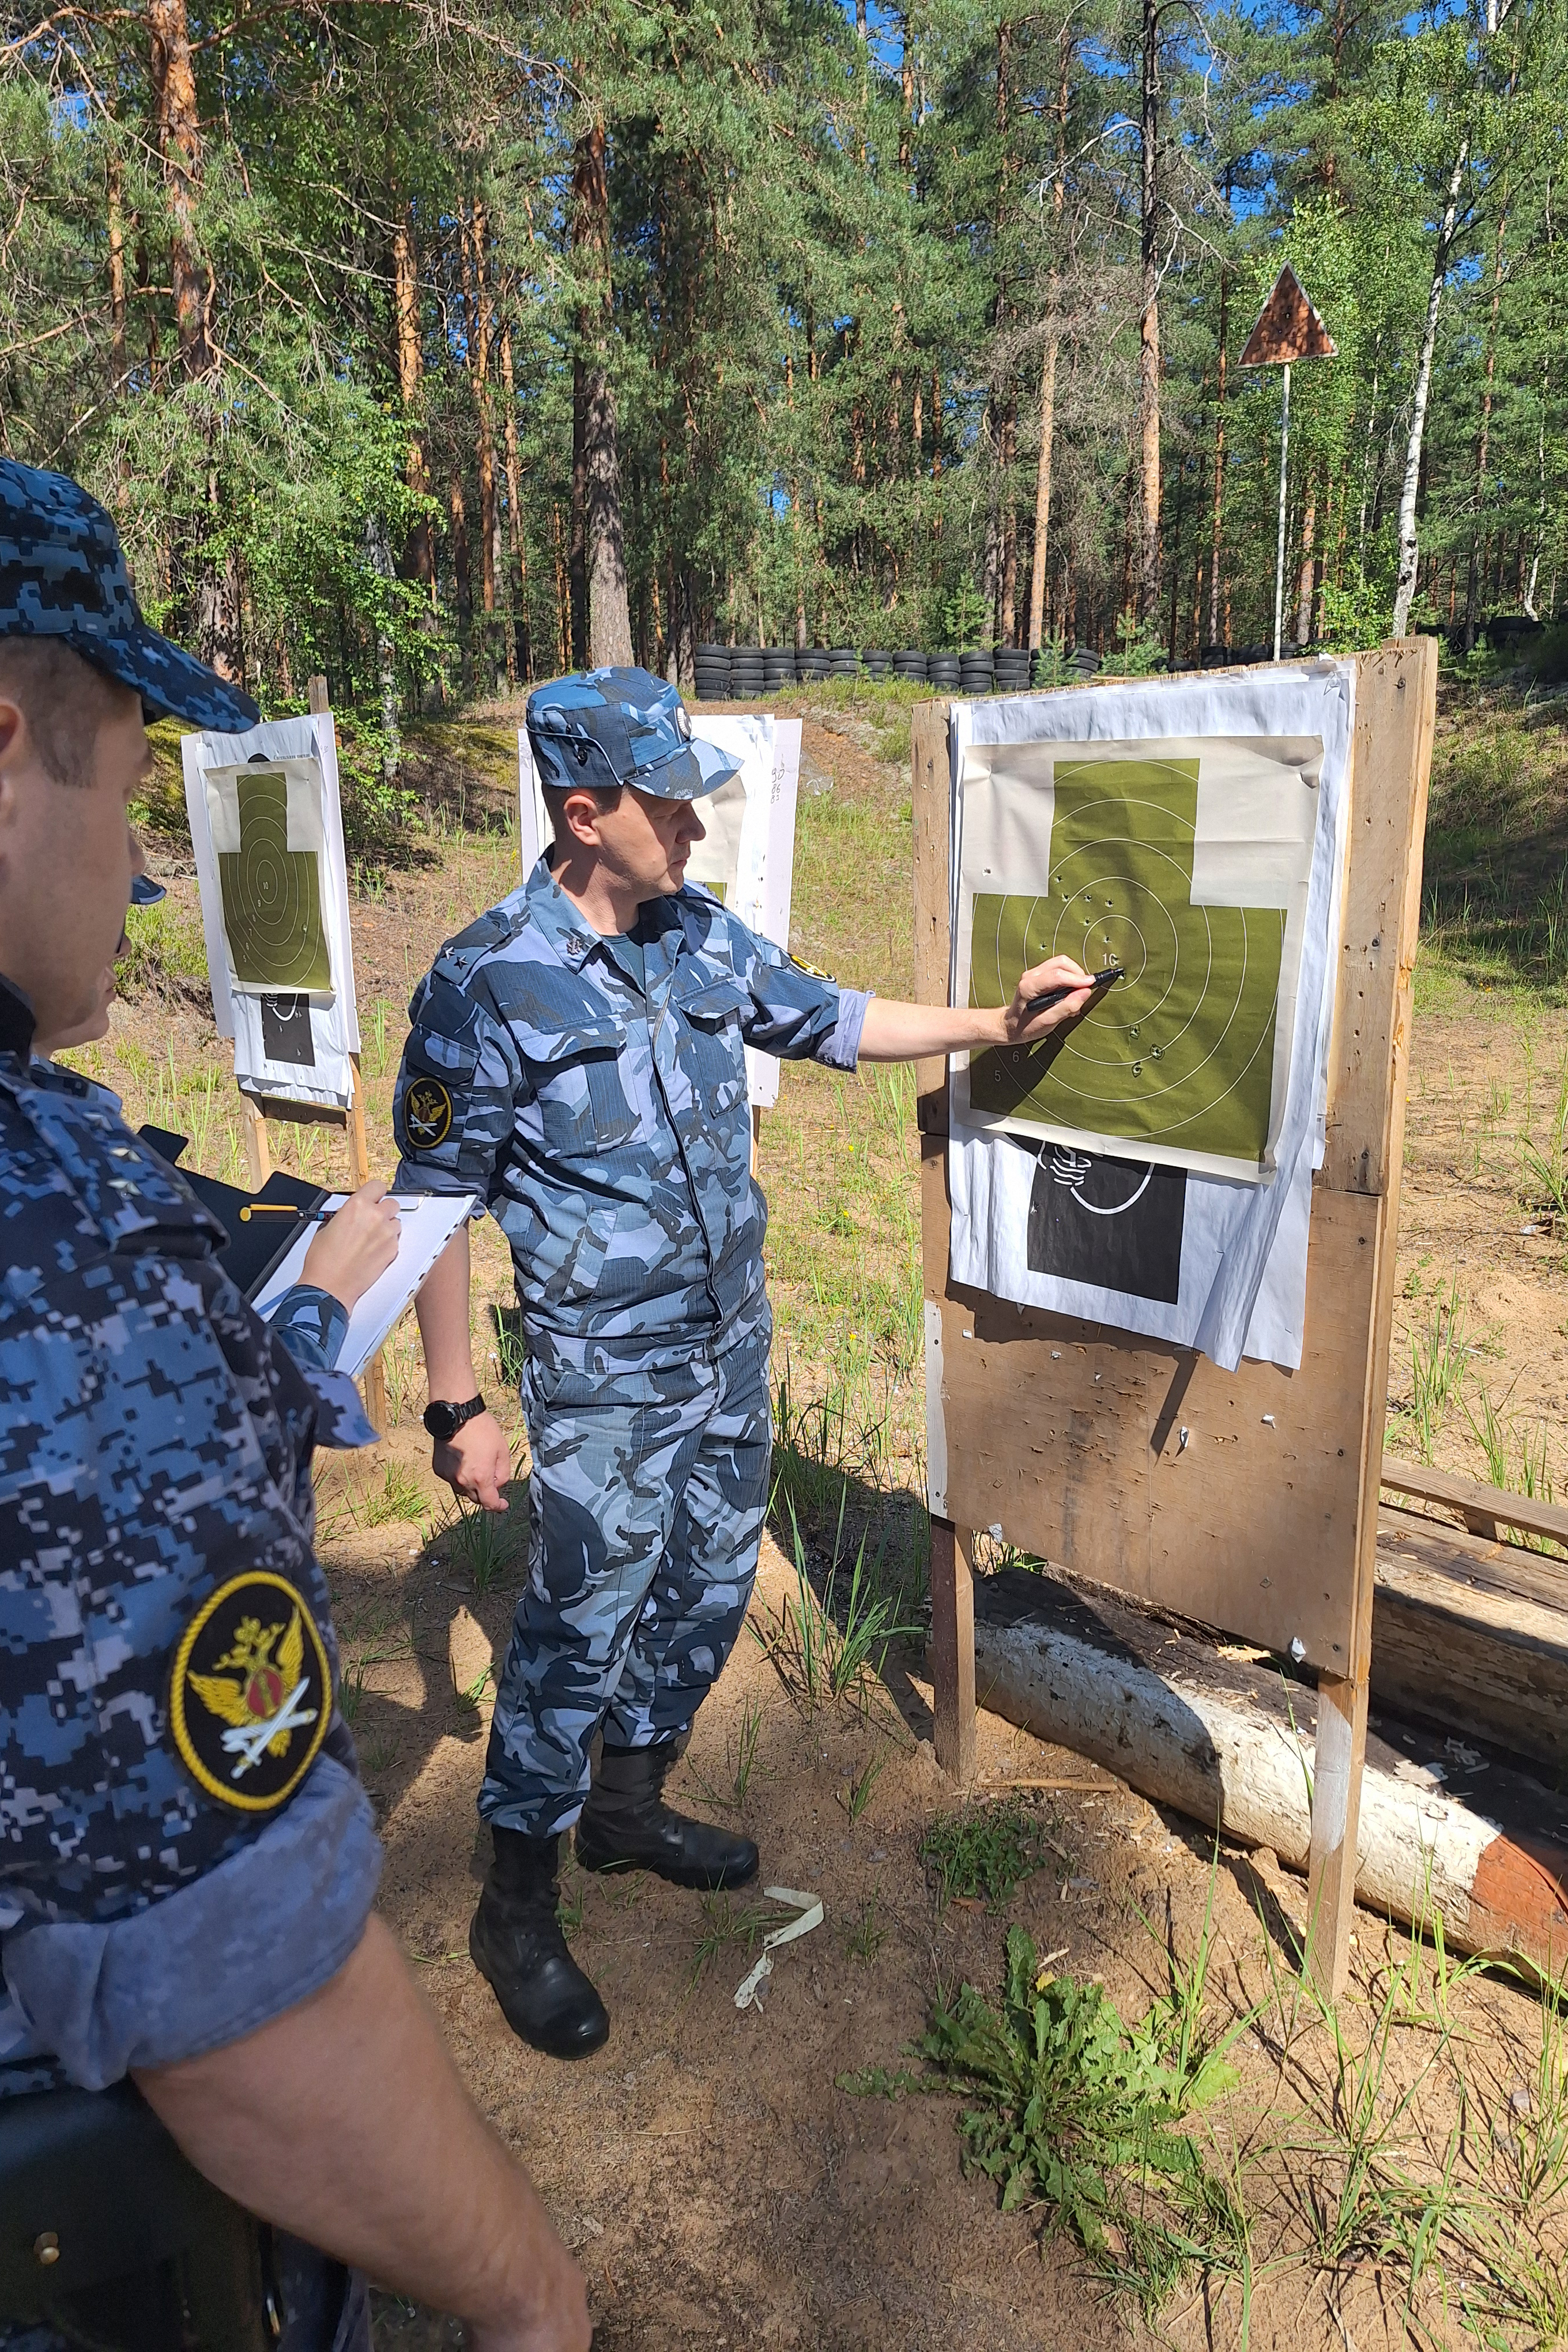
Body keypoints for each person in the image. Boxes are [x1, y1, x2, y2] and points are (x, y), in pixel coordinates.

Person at [0, 459, 590, 2352]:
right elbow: (232, 1982)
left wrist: (310, 1335)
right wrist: (529, 2302)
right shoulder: (62, 1254)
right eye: (125, 770)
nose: (135, 857)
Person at [393, 664, 1094, 2061]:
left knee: (709, 1586)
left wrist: (994, 1030)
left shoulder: (697, 938)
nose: (699, 829)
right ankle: (515, 1901)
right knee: (573, 1632)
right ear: (586, 815)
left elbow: (836, 1018)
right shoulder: (485, 982)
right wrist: (459, 1403)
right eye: (673, 809)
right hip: (601, 1382)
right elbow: (430, 1207)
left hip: (727, 1354)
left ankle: (628, 1807)